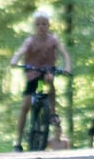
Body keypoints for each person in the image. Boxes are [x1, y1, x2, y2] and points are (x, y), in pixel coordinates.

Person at [9, 11, 71, 150]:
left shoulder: (53, 40)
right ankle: (18, 141)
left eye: (44, 24)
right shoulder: (30, 41)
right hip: (32, 73)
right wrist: (14, 60)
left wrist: (67, 67)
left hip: (47, 71)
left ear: (49, 25)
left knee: (49, 80)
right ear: (34, 26)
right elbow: (20, 51)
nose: (41, 27)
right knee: (25, 107)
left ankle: (52, 113)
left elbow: (64, 53)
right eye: (38, 24)